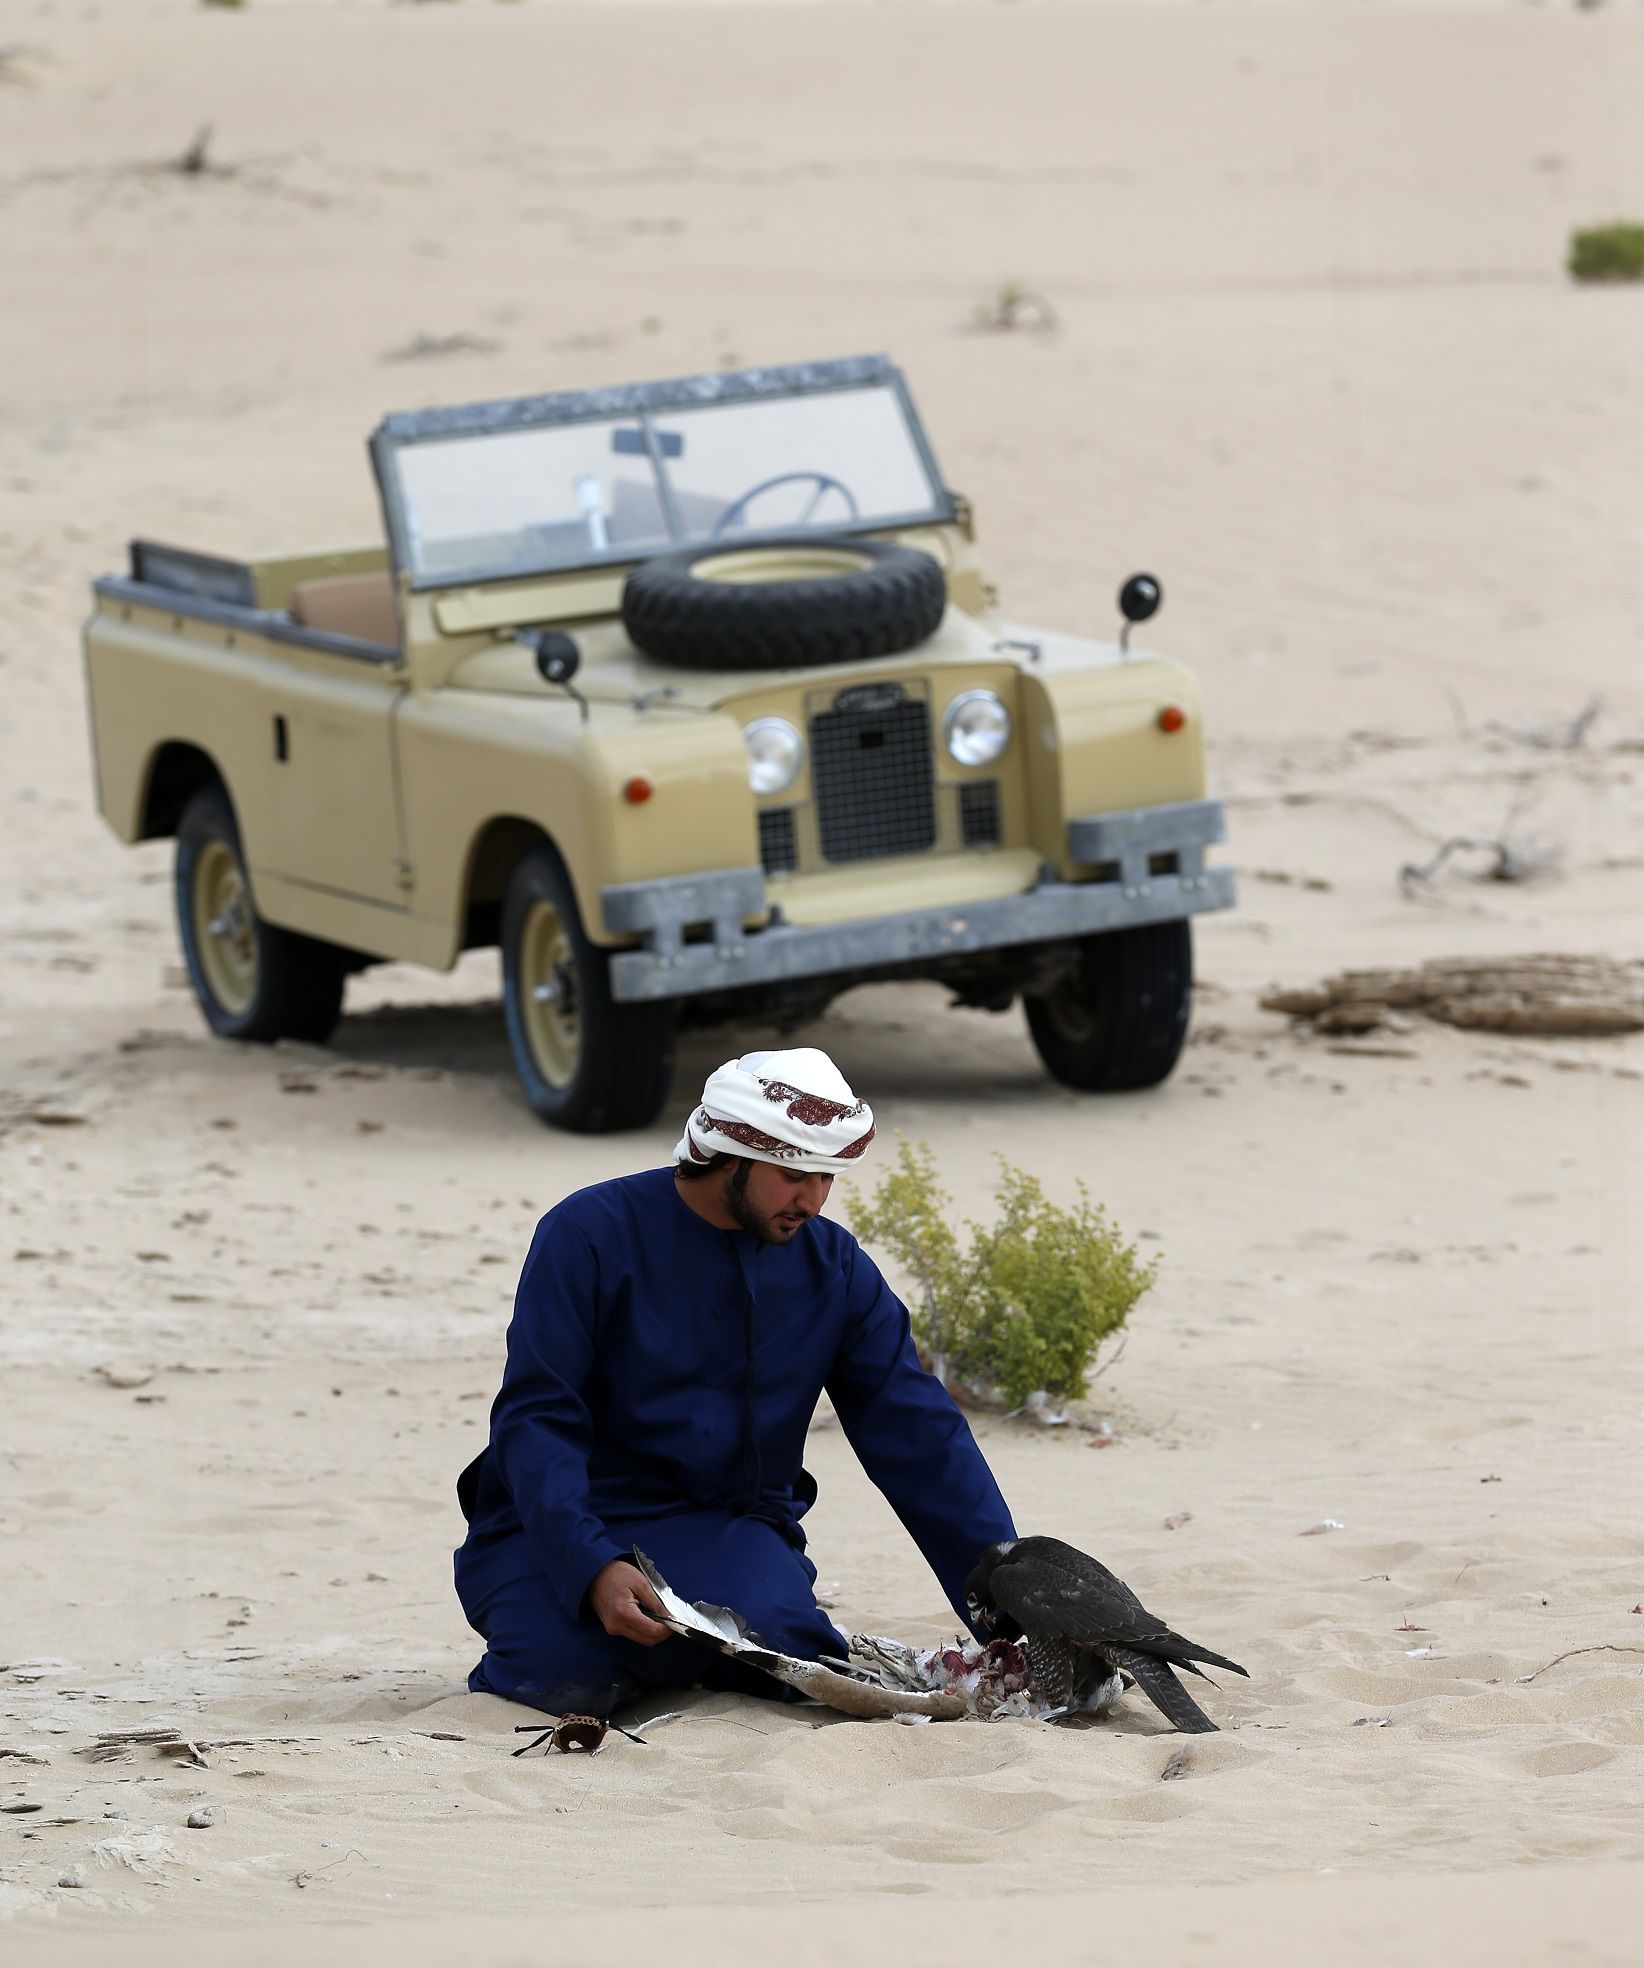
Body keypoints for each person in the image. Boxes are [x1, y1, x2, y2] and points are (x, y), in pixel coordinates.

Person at [454, 1045, 1016, 1718]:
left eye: (827, 1177)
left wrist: (1010, 1612)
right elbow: (536, 1418)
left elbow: (920, 1437)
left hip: (726, 1530)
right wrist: (592, 1565)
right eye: (792, 1175)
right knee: (561, 1677)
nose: (812, 1199)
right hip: (553, 1524)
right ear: (728, 1150)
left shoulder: (833, 1271)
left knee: (785, 1651)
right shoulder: (588, 1233)